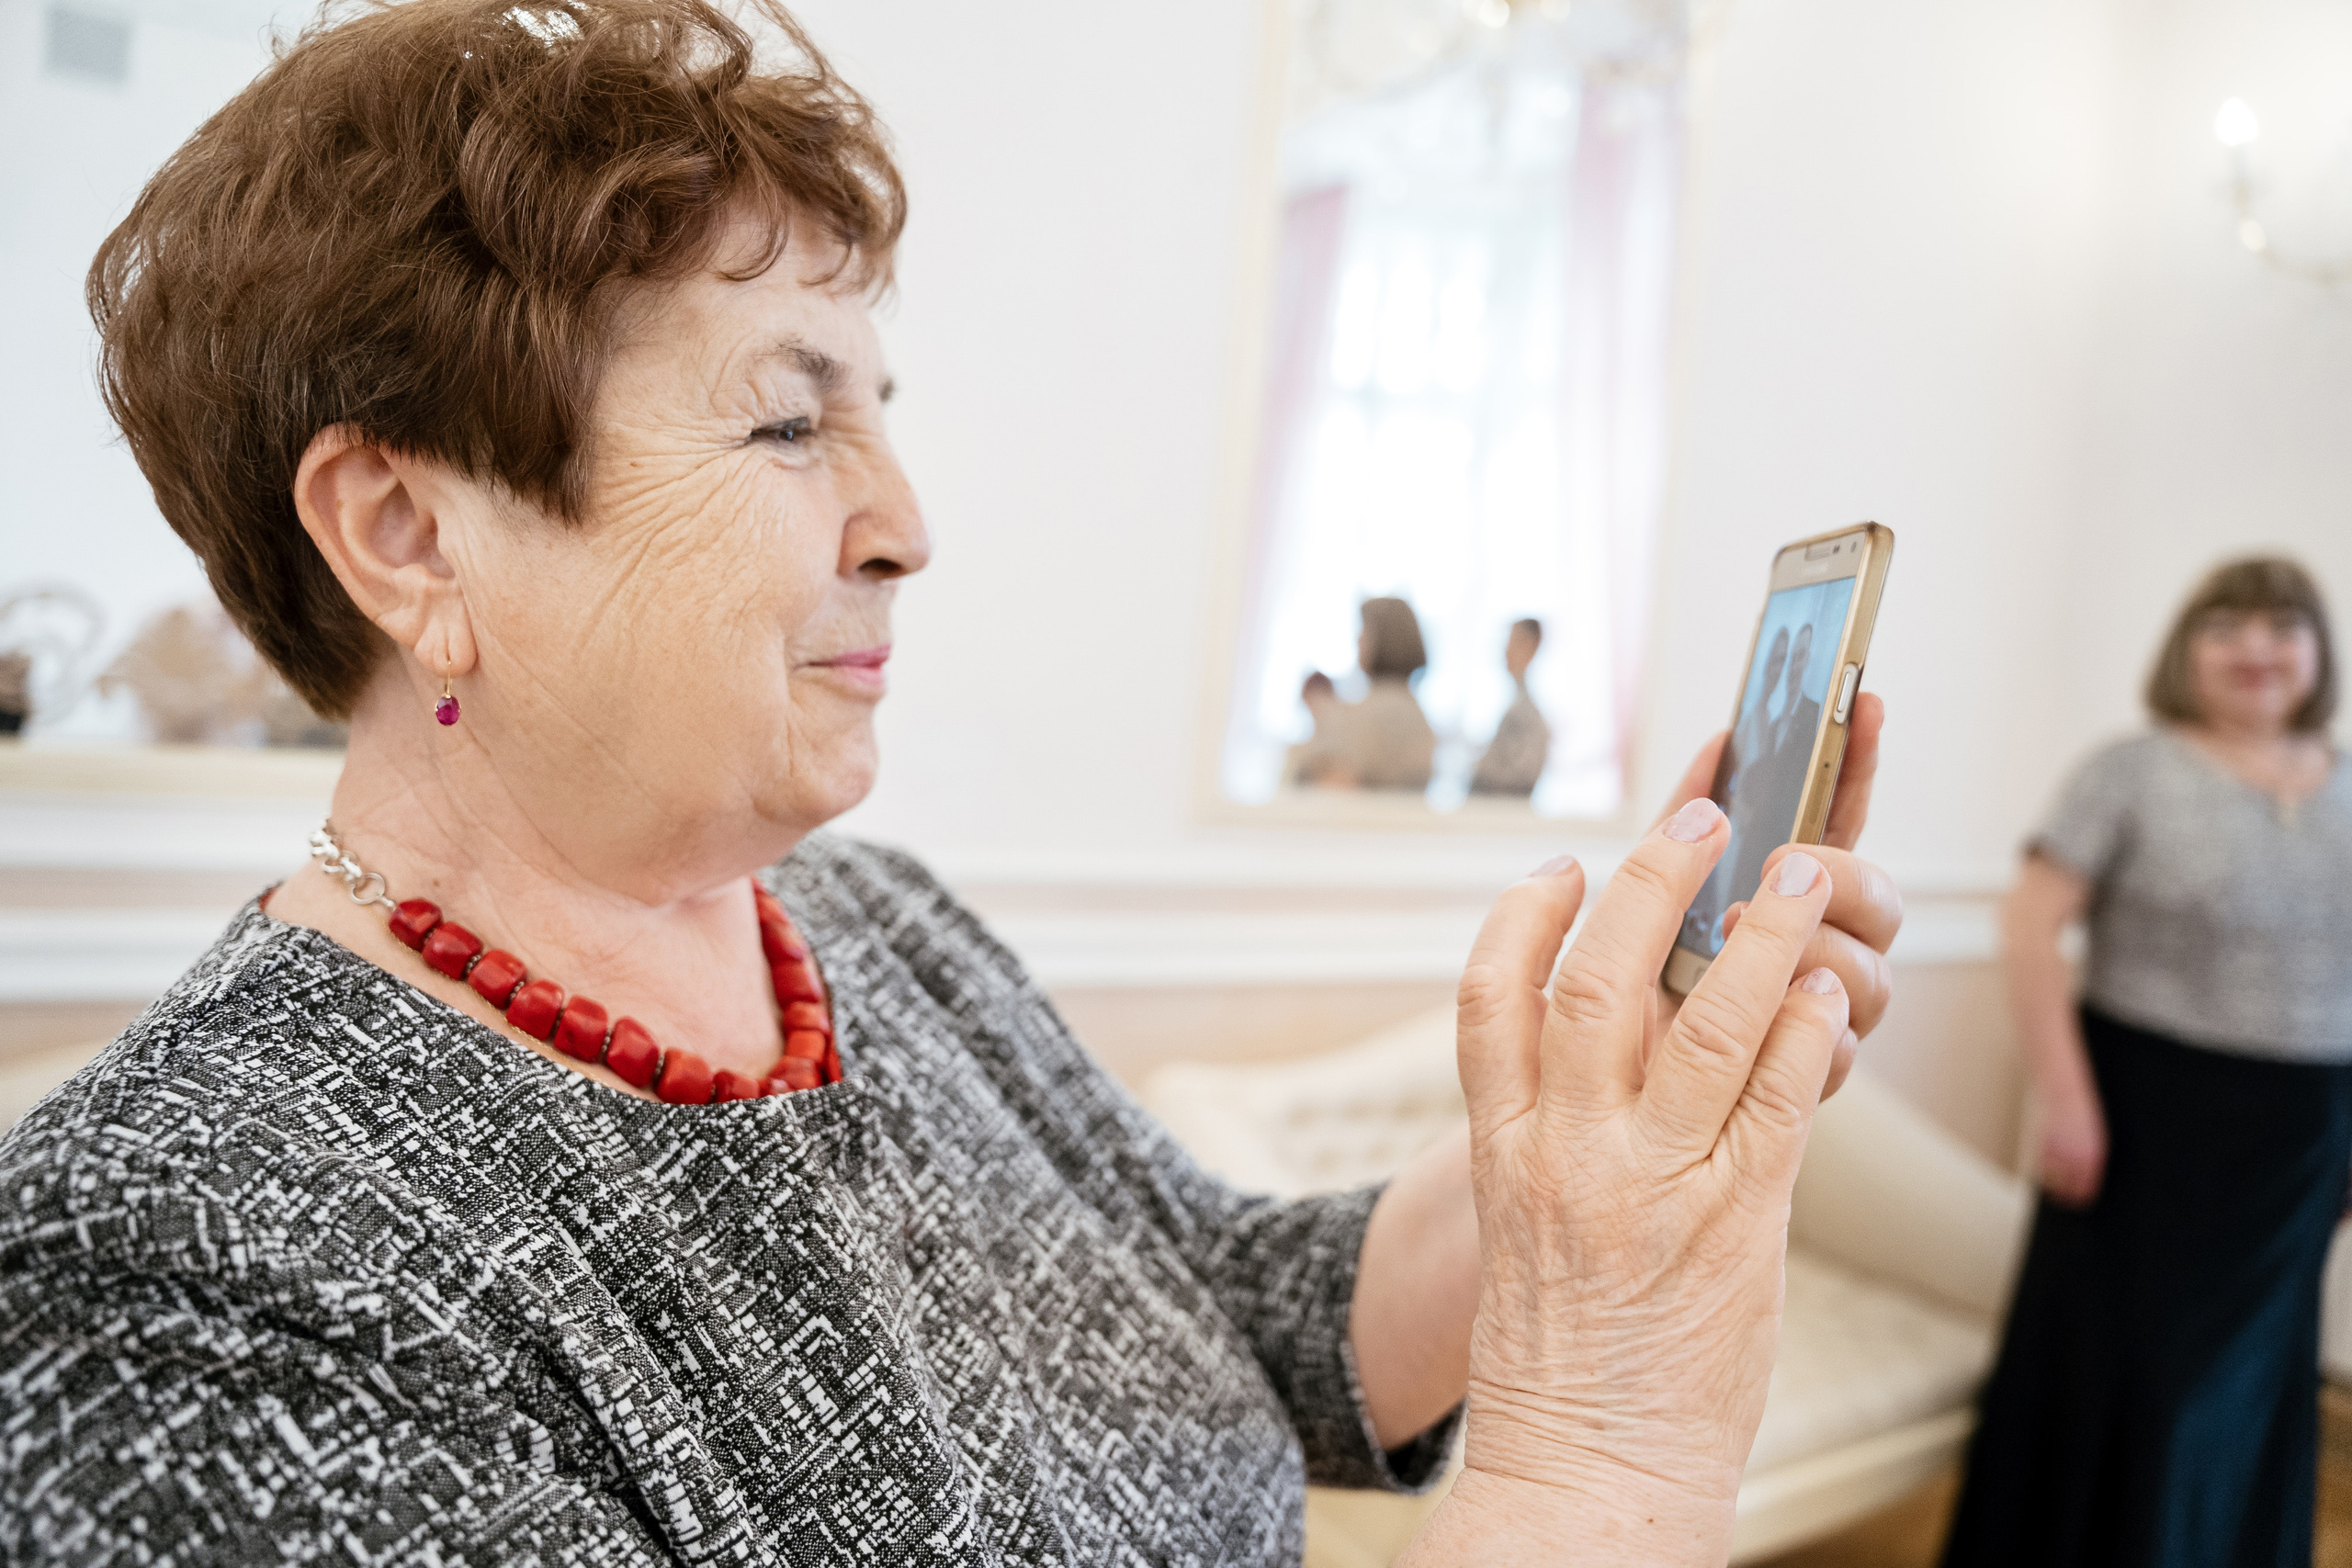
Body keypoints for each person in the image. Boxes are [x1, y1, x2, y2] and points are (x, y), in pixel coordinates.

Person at [0, 1, 1904, 1561]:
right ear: (407, 531)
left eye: (876, 415)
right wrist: (1597, 1447)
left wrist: (1597, 1122)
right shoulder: (189, 1267)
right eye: (782, 415)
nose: (904, 525)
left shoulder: (871, 927)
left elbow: (1237, 1303)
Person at [1941, 557, 2352, 1568]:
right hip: (2144, 1120)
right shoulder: (2127, 770)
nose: (2256, 648)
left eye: (2280, 626)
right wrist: (2065, 1100)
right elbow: (2030, 925)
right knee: (2138, 1380)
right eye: (2226, 626)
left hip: (2302, 1134)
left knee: (2259, 1380)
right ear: (2186, 651)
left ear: (2315, 651)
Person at [1469, 617, 1552, 796]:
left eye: (1513, 640)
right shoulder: (1515, 706)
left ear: (1531, 645)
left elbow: (1512, 782)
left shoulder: (1527, 716)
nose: (1505, 650)